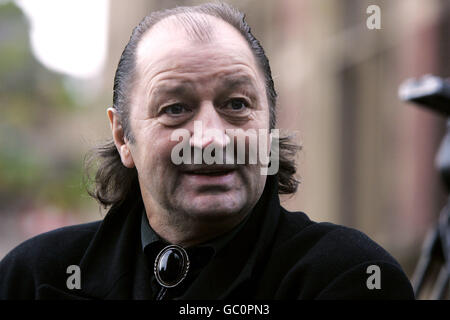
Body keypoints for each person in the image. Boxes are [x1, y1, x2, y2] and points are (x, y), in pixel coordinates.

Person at [0, 2, 414, 300]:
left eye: (236, 105)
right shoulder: (31, 279)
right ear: (123, 137)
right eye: (175, 109)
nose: (211, 139)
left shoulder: (348, 278)